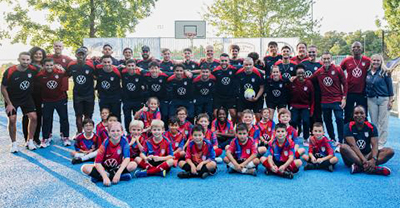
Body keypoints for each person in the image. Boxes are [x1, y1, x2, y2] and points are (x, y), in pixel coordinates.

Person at [340, 106, 395, 176]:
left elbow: (375, 145)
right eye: (356, 113)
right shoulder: (347, 127)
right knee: (343, 147)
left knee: (390, 151)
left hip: (368, 155)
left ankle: (360, 167)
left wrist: (373, 159)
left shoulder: (371, 127)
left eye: (361, 113)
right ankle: (372, 168)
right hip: (353, 157)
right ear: (353, 115)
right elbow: (353, 146)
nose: (359, 115)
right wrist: (364, 161)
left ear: (365, 115)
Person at [2, 52, 38, 152]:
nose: (25, 62)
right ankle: (13, 144)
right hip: (12, 99)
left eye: (27, 60)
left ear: (30, 60)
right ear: (18, 59)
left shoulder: (33, 69)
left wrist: (58, 67)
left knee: (34, 117)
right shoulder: (10, 71)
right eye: (23, 59)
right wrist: (9, 103)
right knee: (12, 119)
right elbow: (3, 88)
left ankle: (30, 141)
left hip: (26, 98)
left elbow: (45, 70)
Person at [81, 122, 137, 186]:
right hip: (104, 168)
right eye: (113, 131)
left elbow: (127, 158)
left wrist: (118, 173)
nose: (115, 133)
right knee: (84, 168)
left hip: (116, 168)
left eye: (118, 130)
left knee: (133, 165)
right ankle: (114, 177)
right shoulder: (105, 143)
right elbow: (97, 163)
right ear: (109, 133)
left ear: (122, 132)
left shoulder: (124, 141)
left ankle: (99, 177)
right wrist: (105, 177)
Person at [309, 52, 347, 146]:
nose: (326, 61)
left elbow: (345, 83)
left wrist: (344, 98)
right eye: (324, 59)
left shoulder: (338, 69)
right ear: (321, 60)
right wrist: (296, 78)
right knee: (327, 120)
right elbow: (309, 79)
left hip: (337, 99)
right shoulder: (319, 71)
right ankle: (332, 138)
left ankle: (341, 140)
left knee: (339, 119)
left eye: (328, 59)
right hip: (325, 101)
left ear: (331, 59)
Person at [36, 58, 70, 147]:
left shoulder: (60, 72)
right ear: (43, 66)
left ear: (54, 65)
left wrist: (64, 69)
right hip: (47, 101)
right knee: (47, 119)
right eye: (47, 65)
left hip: (60, 99)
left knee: (64, 118)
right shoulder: (40, 75)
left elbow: (69, 74)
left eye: (51, 65)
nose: (49, 67)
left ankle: (65, 136)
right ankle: (46, 137)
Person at [366, 54, 394, 149]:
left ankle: (381, 143)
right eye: (374, 60)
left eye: (378, 60)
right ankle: (374, 142)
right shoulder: (368, 72)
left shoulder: (385, 72)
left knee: (383, 122)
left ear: (381, 61)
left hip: (383, 99)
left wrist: (391, 101)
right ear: (371, 61)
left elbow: (390, 88)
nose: (376, 62)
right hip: (371, 99)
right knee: (374, 122)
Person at [340, 42, 371, 124]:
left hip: (362, 92)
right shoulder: (346, 61)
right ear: (351, 49)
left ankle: (363, 133)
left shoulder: (367, 61)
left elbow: (377, 67)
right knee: (348, 114)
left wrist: (387, 69)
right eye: (354, 47)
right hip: (349, 92)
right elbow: (338, 71)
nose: (356, 48)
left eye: (358, 47)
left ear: (362, 49)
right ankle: (347, 134)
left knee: (363, 114)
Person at [67, 48, 96, 134]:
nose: (80, 56)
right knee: (78, 115)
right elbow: (65, 75)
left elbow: (97, 76)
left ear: (85, 55)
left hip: (89, 94)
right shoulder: (71, 65)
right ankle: (79, 133)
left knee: (88, 116)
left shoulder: (90, 65)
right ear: (75, 55)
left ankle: (88, 133)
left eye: (82, 54)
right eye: (79, 54)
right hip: (77, 95)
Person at [22, 47, 46, 145]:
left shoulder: (45, 65)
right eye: (36, 54)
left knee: (39, 116)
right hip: (29, 95)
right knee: (28, 116)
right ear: (32, 55)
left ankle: (35, 137)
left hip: (40, 95)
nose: (38, 55)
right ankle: (27, 138)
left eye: (40, 54)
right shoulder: (28, 66)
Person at [288, 64, 314, 145]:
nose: (300, 75)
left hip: (305, 106)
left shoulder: (309, 83)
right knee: (293, 121)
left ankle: (306, 138)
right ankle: (293, 137)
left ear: (305, 73)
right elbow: (287, 94)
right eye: (299, 73)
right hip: (294, 105)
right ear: (296, 74)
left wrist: (311, 109)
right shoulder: (292, 82)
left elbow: (312, 98)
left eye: (302, 73)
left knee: (306, 121)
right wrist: (289, 107)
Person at [121, 59, 147, 132]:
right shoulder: (123, 74)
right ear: (126, 67)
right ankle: (128, 132)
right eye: (129, 66)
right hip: (127, 100)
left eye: (132, 66)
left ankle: (139, 132)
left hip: (138, 100)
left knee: (138, 118)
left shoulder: (140, 75)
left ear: (136, 66)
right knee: (127, 118)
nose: (131, 67)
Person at [94, 55, 122, 121]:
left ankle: (117, 130)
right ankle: (104, 131)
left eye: (109, 62)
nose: (107, 64)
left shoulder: (117, 71)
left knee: (116, 116)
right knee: (104, 116)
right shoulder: (98, 70)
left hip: (115, 97)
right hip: (103, 97)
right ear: (102, 63)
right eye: (105, 62)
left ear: (112, 62)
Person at [212, 53, 238, 123]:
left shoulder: (234, 69)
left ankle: (231, 128)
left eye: (225, 61)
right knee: (215, 114)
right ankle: (218, 129)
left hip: (230, 97)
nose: (224, 63)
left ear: (229, 61)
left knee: (234, 114)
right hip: (218, 97)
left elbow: (245, 66)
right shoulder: (215, 71)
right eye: (222, 61)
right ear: (219, 61)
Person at [302, 45, 323, 127]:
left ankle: (319, 132)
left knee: (318, 113)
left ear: (316, 53)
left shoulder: (320, 65)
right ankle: (309, 133)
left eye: (313, 52)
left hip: (317, 92)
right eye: (310, 52)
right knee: (307, 113)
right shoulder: (303, 63)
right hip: (306, 92)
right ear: (307, 53)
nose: (311, 54)